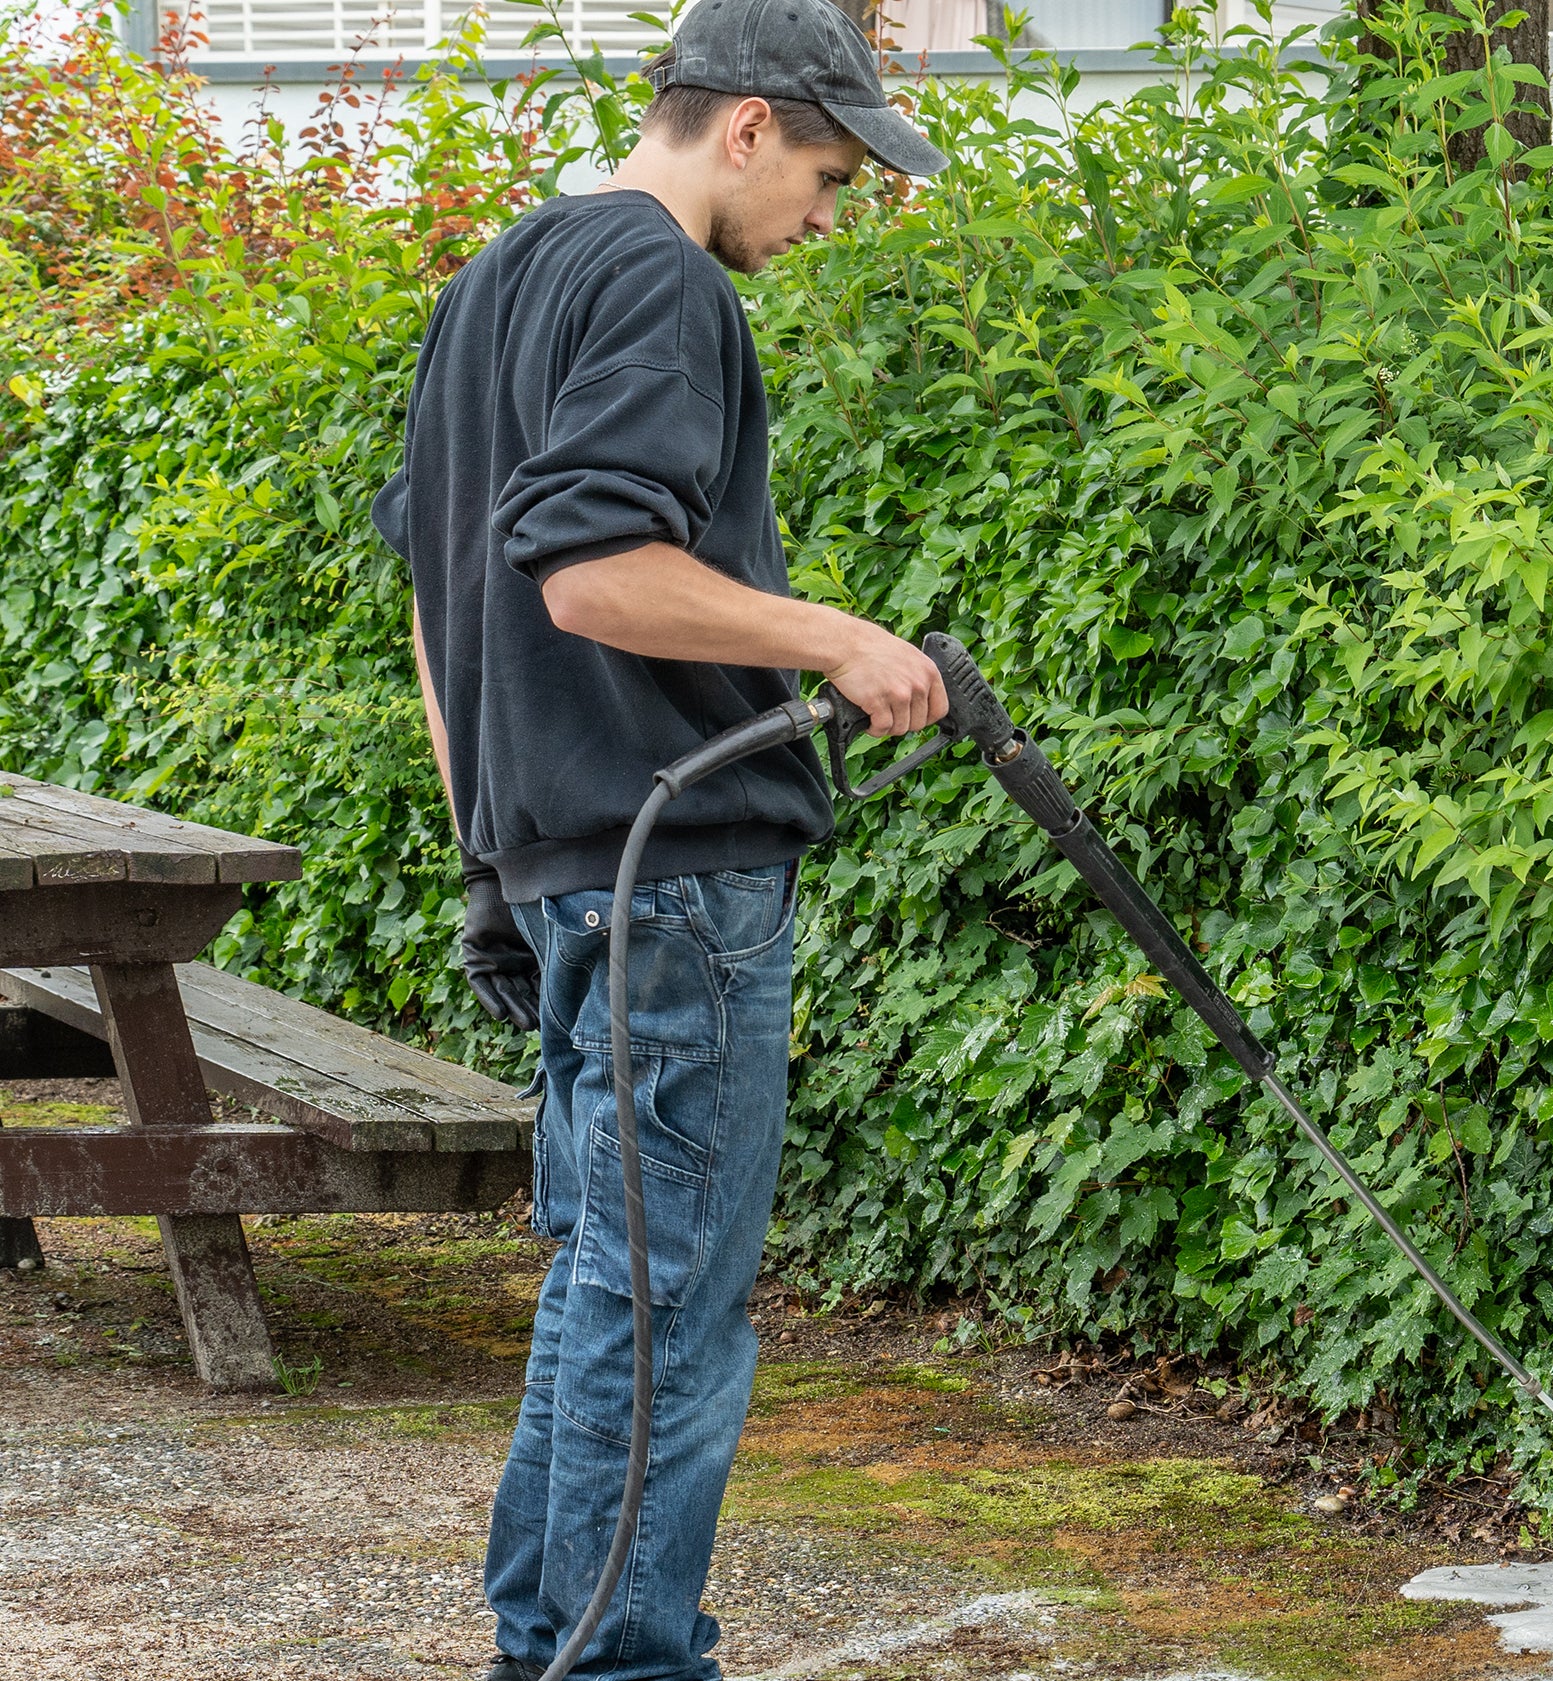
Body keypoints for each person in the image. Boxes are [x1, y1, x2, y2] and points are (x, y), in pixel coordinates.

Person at [371, 4, 951, 1676]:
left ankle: (548, 1645)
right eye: (829, 176)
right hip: (678, 871)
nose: (827, 217)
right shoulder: (664, 282)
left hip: (571, 869)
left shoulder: (496, 280)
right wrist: (836, 638)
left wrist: (488, 853)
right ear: (748, 125)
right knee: (671, 1297)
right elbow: (588, 570)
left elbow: (440, 602)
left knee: (606, 1281)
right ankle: (620, 1660)